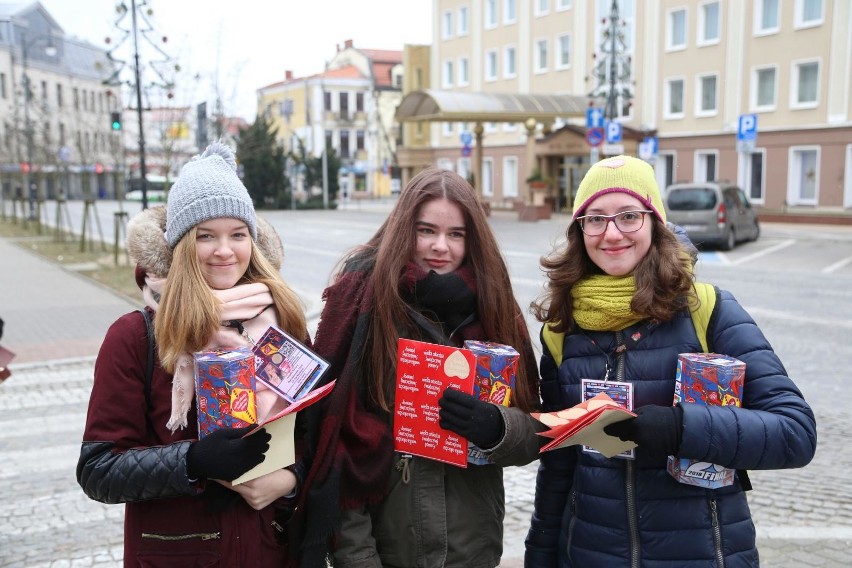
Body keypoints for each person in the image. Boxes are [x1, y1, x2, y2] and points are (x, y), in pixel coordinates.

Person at [524, 155, 817, 567]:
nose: (611, 234)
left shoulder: (708, 310)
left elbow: (795, 433)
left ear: (654, 222)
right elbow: (558, 464)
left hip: (701, 555)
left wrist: (682, 427)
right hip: (591, 554)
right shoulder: (561, 330)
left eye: (629, 216)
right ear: (579, 229)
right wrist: (540, 556)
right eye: (595, 219)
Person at [294, 167, 542, 568]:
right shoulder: (364, 302)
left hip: (472, 548)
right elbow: (333, 445)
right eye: (426, 230)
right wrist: (358, 559)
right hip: (387, 546)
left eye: (456, 234)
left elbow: (536, 430)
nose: (440, 246)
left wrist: (498, 428)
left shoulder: (495, 304)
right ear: (402, 228)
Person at [76, 141, 307, 566]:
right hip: (177, 554)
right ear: (182, 246)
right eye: (206, 236)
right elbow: (98, 470)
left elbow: (315, 435)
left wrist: (289, 479)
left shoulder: (283, 326)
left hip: (267, 551)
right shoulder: (137, 337)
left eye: (238, 234)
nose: (225, 250)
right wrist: (194, 461)